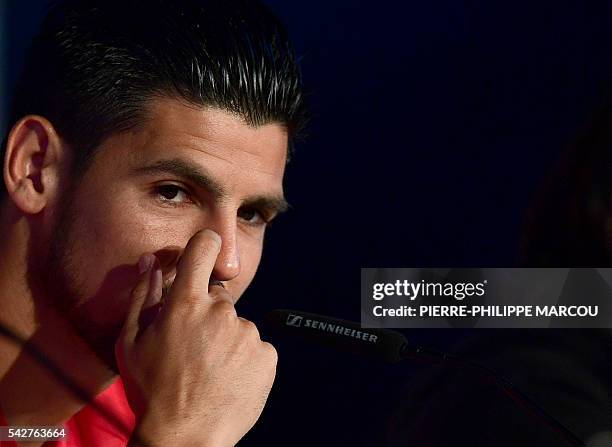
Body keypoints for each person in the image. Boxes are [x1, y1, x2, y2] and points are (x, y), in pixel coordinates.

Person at [0, 0, 306, 445]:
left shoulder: (148, 408)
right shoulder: (178, 420)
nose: (227, 264)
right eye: (172, 192)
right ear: (35, 167)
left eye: (250, 214)